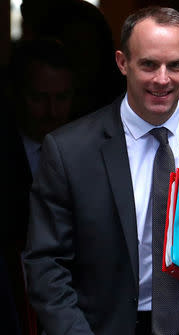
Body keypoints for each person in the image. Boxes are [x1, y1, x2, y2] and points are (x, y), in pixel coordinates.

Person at [23, 6, 179, 335]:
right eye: (148, 64)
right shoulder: (69, 150)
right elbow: (45, 265)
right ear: (122, 62)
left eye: (174, 65)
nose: (162, 79)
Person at [4, 37, 75, 335]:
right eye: (39, 98)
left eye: (61, 98)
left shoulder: (90, 149)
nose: (52, 111)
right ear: (16, 95)